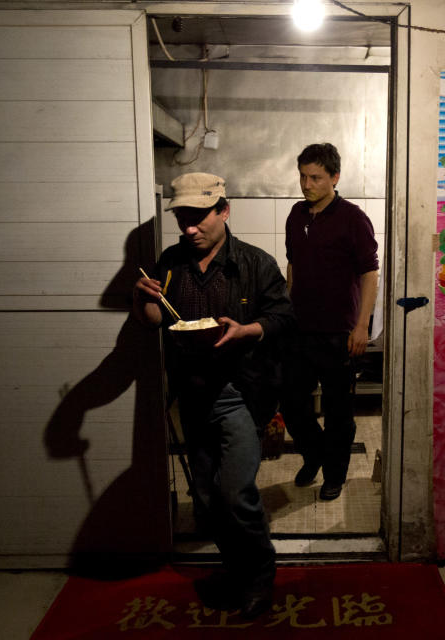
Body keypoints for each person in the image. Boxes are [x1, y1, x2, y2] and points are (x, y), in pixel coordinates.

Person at [133, 172, 293, 619]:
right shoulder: (170, 262)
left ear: (223, 210)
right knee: (205, 496)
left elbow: (283, 317)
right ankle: (236, 571)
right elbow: (153, 320)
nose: (189, 228)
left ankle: (260, 577)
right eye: (183, 218)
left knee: (234, 491)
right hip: (192, 392)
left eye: (199, 217)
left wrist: (247, 330)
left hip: (239, 392)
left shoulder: (256, 263)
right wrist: (141, 298)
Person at [281, 143, 379, 501]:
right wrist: (286, 308)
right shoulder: (295, 214)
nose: (306, 184)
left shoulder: (353, 218)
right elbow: (292, 265)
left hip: (340, 331)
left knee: (339, 411)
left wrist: (362, 324)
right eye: (303, 176)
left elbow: (370, 273)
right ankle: (316, 454)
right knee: (291, 402)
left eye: (316, 178)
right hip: (299, 329)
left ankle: (334, 474)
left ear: (335, 177)